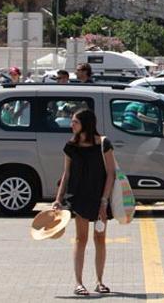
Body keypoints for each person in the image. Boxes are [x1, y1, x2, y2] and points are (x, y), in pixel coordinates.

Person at [51, 109, 117, 297]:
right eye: (72, 122)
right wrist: (58, 198)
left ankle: (99, 281)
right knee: (81, 239)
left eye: (75, 122)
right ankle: (79, 283)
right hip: (79, 196)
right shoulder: (71, 146)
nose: (71, 125)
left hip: (100, 196)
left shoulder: (103, 144)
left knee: (100, 238)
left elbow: (111, 173)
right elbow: (67, 173)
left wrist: (104, 201)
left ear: (86, 124)